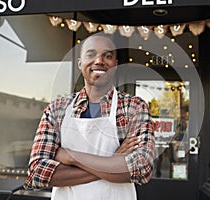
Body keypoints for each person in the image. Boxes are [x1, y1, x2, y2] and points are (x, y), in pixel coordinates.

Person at [24, 34, 155, 200]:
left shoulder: (134, 107)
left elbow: (141, 170)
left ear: (115, 65)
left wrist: (71, 157)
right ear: (80, 63)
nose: (99, 61)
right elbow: (37, 174)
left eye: (107, 56)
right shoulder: (57, 109)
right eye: (91, 54)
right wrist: (113, 162)